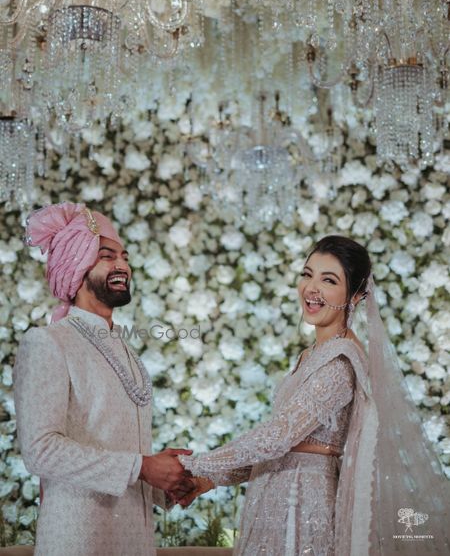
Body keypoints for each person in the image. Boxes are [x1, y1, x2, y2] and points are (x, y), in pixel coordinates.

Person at [178, 235, 450, 555]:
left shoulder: (339, 362)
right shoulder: (312, 354)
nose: (312, 288)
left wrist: (194, 463)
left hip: (303, 505)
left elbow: (278, 437)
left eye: (329, 279)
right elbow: (277, 446)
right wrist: (204, 481)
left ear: (357, 295)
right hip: (274, 494)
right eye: (307, 274)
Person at [13, 202, 193, 556]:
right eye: (107, 256)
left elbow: (123, 453)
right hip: (79, 539)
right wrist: (142, 467)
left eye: (124, 257)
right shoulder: (49, 342)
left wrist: (165, 483)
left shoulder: (127, 350)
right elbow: (40, 451)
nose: (123, 265)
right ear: (75, 263)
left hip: (134, 541)